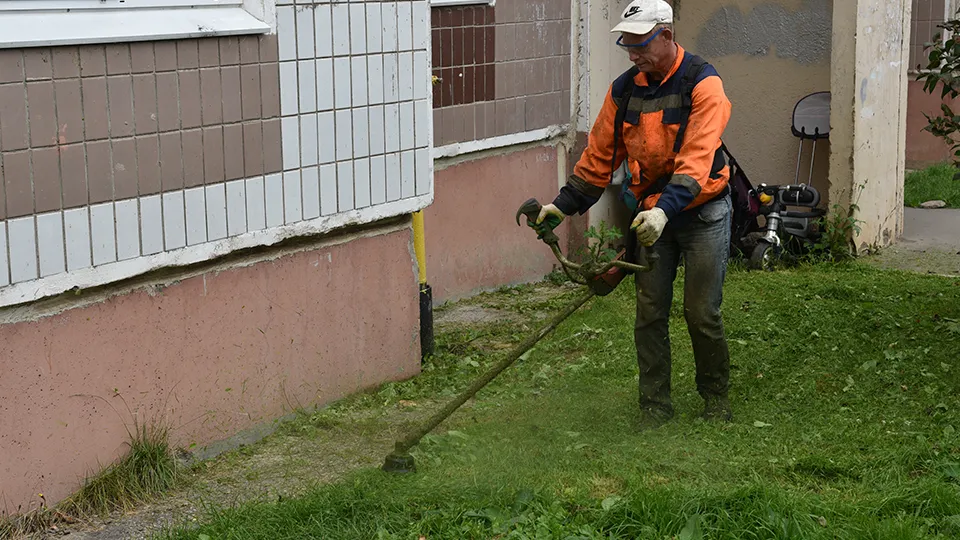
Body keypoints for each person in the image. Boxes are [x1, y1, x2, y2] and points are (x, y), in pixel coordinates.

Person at [529, 0, 734, 429]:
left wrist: (664, 210)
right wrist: (561, 205)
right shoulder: (624, 91)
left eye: (640, 42)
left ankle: (715, 398)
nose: (632, 52)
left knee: (701, 312)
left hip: (703, 211)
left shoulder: (703, 83)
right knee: (649, 312)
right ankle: (654, 407)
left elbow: (697, 160)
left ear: (667, 35)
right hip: (651, 218)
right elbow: (599, 158)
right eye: (627, 42)